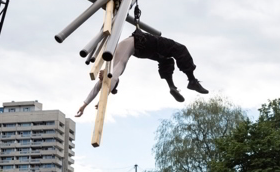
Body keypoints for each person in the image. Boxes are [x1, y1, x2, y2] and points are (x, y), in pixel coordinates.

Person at [75, 28, 208, 117]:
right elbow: (112, 79)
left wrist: (84, 105)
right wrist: (104, 98)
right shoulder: (114, 69)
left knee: (166, 60)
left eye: (101, 77)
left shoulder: (111, 63)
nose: (100, 76)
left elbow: (97, 87)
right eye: (102, 77)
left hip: (140, 50)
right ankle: (192, 80)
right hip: (141, 42)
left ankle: (171, 86)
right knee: (179, 49)